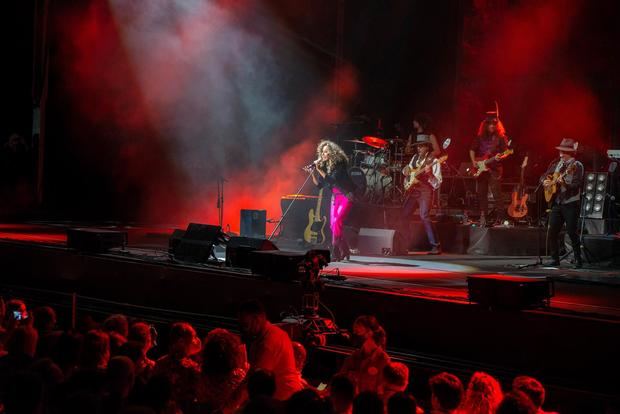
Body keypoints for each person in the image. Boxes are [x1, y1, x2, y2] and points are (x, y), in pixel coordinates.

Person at [238, 300, 303, 400]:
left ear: (257, 319)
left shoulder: (270, 341)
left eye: (245, 325)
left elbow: (257, 379)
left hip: (283, 398)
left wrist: (232, 404)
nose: (244, 330)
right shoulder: (268, 336)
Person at [541, 138, 584, 268]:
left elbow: (577, 185)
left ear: (570, 153)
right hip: (557, 202)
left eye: (563, 152)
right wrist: (544, 181)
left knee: (571, 232)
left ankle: (578, 259)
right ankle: (555, 259)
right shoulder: (556, 163)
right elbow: (544, 175)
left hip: (571, 203)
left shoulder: (577, 165)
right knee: (552, 231)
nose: (561, 155)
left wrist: (563, 183)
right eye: (560, 152)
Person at [310, 140, 356, 261]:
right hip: (335, 197)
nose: (323, 154)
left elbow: (332, 180)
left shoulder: (339, 164)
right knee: (333, 225)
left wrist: (319, 169)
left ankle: (335, 252)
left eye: (326, 152)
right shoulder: (325, 166)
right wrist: (313, 173)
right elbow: (320, 185)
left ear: (332, 153)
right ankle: (345, 250)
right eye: (322, 152)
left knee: (336, 222)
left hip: (346, 195)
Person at [401, 136, 442, 254]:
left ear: (427, 147)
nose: (419, 148)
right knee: (404, 215)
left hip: (425, 191)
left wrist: (430, 175)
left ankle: (436, 246)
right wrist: (405, 170)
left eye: (421, 146)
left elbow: (437, 183)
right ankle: (406, 244)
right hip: (414, 190)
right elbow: (407, 171)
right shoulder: (414, 158)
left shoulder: (433, 161)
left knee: (424, 215)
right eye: (418, 146)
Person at [469, 115, 510, 226]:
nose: (492, 126)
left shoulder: (501, 138)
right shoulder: (479, 137)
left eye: (494, 124)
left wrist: (500, 157)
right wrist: (474, 162)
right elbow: (472, 150)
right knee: (482, 193)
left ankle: (501, 218)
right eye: (490, 124)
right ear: (485, 125)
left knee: (497, 193)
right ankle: (483, 217)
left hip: (495, 169)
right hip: (481, 169)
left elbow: (506, 153)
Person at [339, 315, 390, 394]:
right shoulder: (354, 357)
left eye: (358, 331)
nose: (355, 335)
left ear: (370, 332)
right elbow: (338, 379)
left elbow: (382, 391)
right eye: (355, 331)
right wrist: (320, 390)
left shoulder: (383, 360)